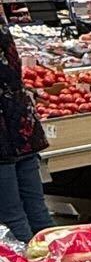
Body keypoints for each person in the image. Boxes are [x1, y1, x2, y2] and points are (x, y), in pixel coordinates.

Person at [0, 20, 49, 242]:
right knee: (37, 213)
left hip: (6, 133)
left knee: (12, 218)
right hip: (20, 120)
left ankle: (32, 260)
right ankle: (55, 256)